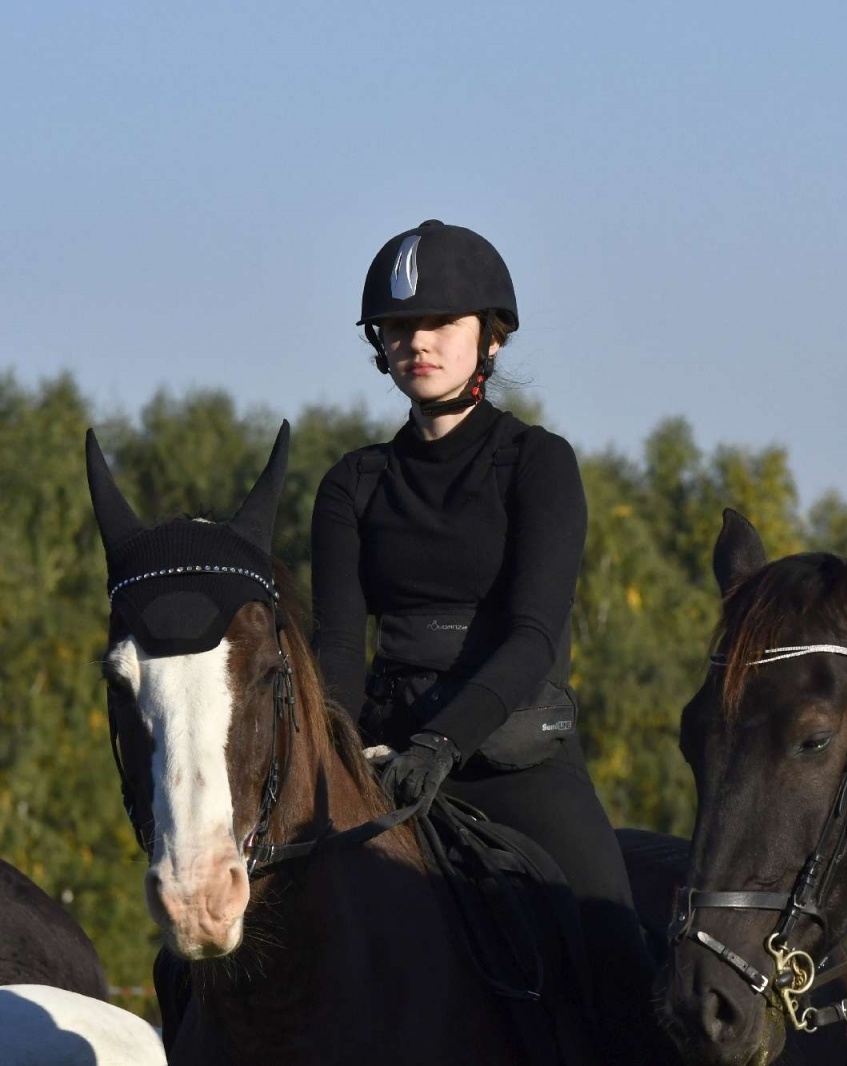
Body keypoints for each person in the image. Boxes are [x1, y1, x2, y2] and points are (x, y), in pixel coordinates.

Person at [311, 219, 659, 1063]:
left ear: (491, 339)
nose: (416, 341)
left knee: (615, 947)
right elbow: (339, 654)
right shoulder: (353, 483)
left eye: (440, 324)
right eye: (398, 328)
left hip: (512, 758)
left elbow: (534, 635)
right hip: (386, 757)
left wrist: (444, 740)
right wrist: (335, 758)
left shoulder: (537, 464)